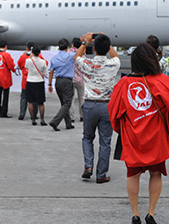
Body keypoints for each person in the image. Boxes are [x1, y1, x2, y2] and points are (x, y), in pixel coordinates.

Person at [108, 44, 169, 224]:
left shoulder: (124, 83)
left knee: (132, 174)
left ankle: (135, 213)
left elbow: (113, 112)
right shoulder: (162, 80)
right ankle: (151, 212)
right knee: (156, 173)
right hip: (156, 137)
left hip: (133, 137)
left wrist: (124, 130)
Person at [74, 33, 121, 183]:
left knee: (87, 137)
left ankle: (88, 166)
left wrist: (85, 42)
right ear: (107, 49)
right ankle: (101, 174)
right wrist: (106, 41)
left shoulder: (87, 63)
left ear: (94, 49)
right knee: (105, 141)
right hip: (107, 105)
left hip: (89, 104)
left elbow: (77, 57)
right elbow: (115, 56)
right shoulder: (113, 64)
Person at [47, 38, 76, 131]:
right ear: (68, 47)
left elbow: (51, 72)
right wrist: (84, 43)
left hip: (58, 81)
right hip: (67, 81)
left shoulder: (54, 58)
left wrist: (50, 84)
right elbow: (80, 52)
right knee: (67, 103)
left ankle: (68, 123)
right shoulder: (70, 56)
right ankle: (55, 121)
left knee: (63, 103)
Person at [24, 46, 48, 126]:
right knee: (41, 102)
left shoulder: (28, 60)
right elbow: (45, 73)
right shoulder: (43, 62)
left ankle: (33, 119)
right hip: (39, 81)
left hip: (30, 81)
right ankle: (42, 119)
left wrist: (30, 56)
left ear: (32, 52)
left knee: (30, 102)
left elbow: (26, 67)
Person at [17, 41, 40, 121]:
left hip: (25, 80)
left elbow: (19, 64)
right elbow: (45, 63)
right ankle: (34, 114)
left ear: (27, 48)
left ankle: (22, 114)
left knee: (24, 97)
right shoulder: (38, 56)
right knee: (35, 99)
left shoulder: (23, 57)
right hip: (35, 80)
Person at [0, 41, 15, 118]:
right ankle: (4, 112)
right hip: (5, 77)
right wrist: (14, 70)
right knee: (5, 96)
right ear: (5, 46)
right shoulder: (6, 55)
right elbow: (11, 65)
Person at [71, 38, 85, 122]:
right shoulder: (82, 56)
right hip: (81, 80)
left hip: (71, 79)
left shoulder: (68, 54)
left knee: (71, 99)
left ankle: (72, 117)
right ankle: (82, 116)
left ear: (72, 44)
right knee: (82, 99)